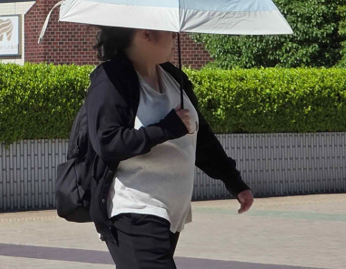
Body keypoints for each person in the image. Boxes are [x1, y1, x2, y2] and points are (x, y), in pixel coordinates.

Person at [85, 27, 254, 269]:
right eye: (169, 32)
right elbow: (108, 142)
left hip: (170, 213)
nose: (175, 37)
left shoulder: (173, 77)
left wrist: (233, 181)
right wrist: (165, 128)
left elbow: (201, 136)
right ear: (145, 34)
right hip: (133, 209)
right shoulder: (111, 80)